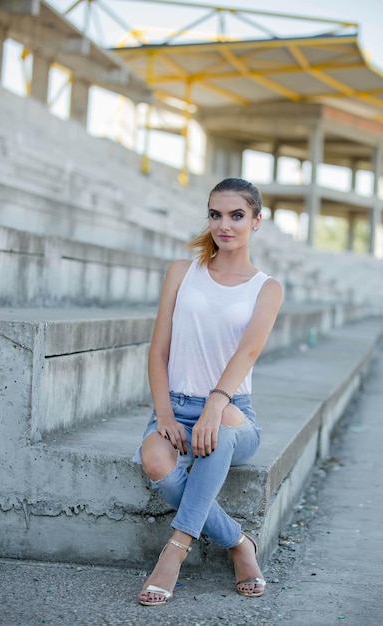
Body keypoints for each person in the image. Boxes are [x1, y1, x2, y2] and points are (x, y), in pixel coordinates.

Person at [132, 177, 284, 607]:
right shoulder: (183, 271)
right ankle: (238, 543)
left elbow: (247, 353)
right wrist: (164, 415)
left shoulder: (266, 288)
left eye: (237, 215)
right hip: (175, 404)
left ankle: (174, 551)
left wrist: (215, 405)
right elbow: (158, 350)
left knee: (215, 434)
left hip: (233, 409)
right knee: (154, 458)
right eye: (216, 214)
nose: (225, 225)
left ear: (257, 220)